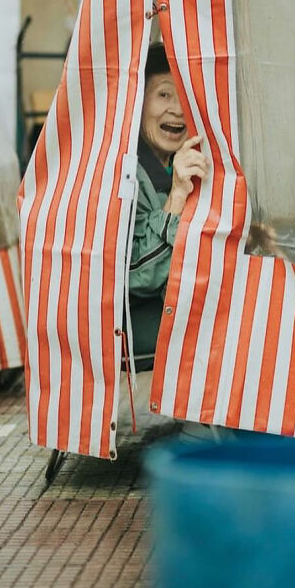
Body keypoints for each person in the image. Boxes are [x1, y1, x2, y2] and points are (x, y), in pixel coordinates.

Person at [127, 42, 209, 368]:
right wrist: (177, 197)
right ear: (138, 101)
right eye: (164, 94)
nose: (177, 109)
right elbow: (137, 276)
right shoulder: (125, 172)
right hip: (136, 320)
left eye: (186, 98)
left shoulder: (196, 160)